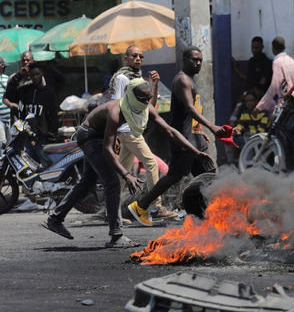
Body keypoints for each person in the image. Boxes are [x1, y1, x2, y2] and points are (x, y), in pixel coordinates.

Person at [42, 78, 211, 247]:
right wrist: (127, 174)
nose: (146, 102)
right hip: (90, 136)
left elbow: (170, 131)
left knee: (88, 182)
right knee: (113, 182)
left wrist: (195, 151)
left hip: (102, 136)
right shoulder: (115, 111)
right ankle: (116, 235)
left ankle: (55, 218)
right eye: (142, 98)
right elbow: (107, 149)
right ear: (131, 96)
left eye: (148, 98)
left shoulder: (145, 107)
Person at [128, 46, 229, 226]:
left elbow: (190, 113)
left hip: (194, 137)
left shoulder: (190, 80)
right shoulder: (182, 80)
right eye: (194, 59)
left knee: (208, 176)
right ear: (185, 60)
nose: (198, 63)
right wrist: (212, 126)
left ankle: (210, 214)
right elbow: (189, 108)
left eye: (200, 60)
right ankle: (140, 206)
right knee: (176, 175)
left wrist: (201, 131)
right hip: (184, 140)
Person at [109, 46, 176, 219]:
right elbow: (115, 105)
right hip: (127, 130)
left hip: (133, 129)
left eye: (141, 56)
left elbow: (149, 106)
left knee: (123, 174)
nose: (138, 58)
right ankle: (156, 207)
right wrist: (114, 133)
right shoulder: (122, 78)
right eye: (134, 56)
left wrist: (155, 85)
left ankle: (112, 212)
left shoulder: (138, 78)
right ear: (126, 58)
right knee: (151, 164)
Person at [16, 62, 58, 169]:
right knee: (30, 167)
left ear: (42, 73)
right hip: (27, 136)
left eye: (37, 74)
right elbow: (11, 93)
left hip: (42, 137)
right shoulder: (25, 91)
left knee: (46, 166)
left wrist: (52, 133)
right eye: (32, 75)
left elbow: (53, 115)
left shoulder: (49, 92)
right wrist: (19, 75)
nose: (35, 77)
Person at [254, 37, 294, 115]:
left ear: (273, 48)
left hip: (284, 104)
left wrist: (259, 107)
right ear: (284, 47)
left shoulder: (277, 62)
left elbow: (274, 87)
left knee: (277, 126)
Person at [3, 51, 35, 121]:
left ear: (33, 61)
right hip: (18, 119)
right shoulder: (14, 77)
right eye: (23, 60)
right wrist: (11, 104)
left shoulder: (37, 77)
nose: (26, 62)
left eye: (28, 60)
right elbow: (6, 97)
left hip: (34, 118)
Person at [0, 57, 11, 153]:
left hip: (10, 116)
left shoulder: (7, 79)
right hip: (0, 119)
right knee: (2, 142)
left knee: (11, 141)